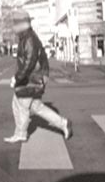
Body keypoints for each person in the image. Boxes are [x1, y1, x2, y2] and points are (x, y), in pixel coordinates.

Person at [4, 9, 72, 143]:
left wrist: (17, 78)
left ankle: (20, 133)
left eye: (15, 24)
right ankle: (63, 123)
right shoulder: (28, 37)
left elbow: (29, 63)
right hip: (35, 77)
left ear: (21, 24)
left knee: (20, 104)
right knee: (35, 106)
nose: (13, 27)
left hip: (32, 79)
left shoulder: (28, 39)